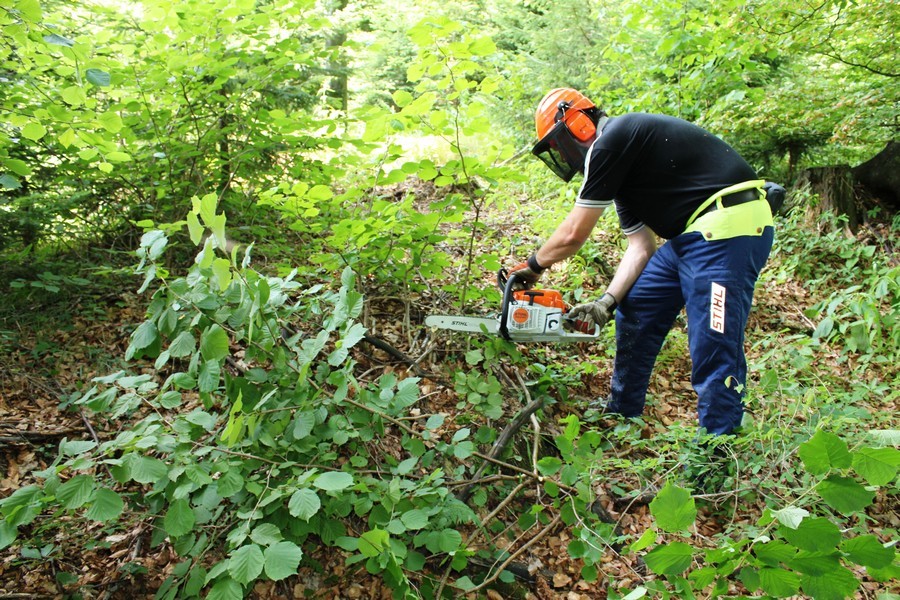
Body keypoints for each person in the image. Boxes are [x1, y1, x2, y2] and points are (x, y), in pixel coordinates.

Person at [509, 88, 775, 436]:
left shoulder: (613, 140)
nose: (563, 154)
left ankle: (715, 456)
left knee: (714, 344)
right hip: (692, 239)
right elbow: (641, 246)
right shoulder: (624, 171)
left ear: (578, 124)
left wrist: (532, 267)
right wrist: (607, 302)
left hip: (729, 230)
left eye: (560, 145)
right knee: (636, 305)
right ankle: (622, 413)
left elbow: (574, 234)